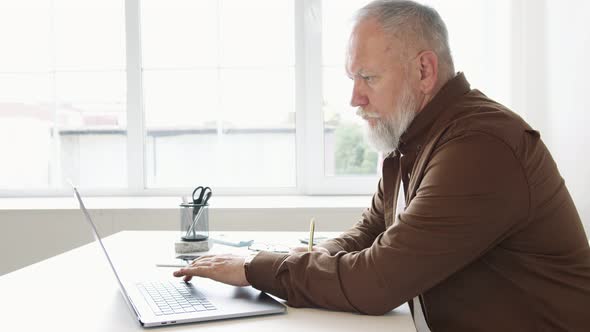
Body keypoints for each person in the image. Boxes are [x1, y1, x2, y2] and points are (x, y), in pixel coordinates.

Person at [174, 1, 590, 330]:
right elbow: (368, 234)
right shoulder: (412, 141)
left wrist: (253, 268)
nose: (355, 98)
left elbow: (377, 280)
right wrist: (307, 255)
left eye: (368, 78)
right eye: (352, 79)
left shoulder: (480, 147)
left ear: (424, 71)